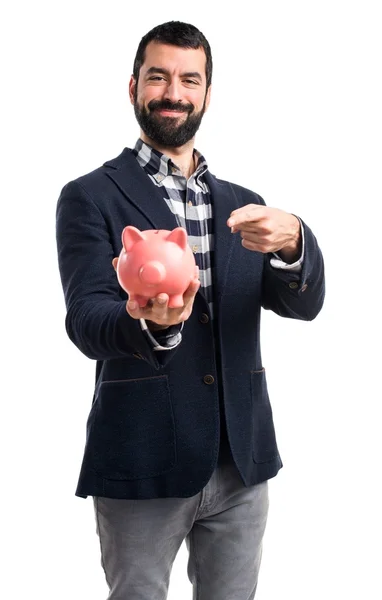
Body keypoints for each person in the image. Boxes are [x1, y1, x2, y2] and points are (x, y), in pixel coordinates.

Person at [56, 20, 325, 600]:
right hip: (142, 457)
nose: (173, 92)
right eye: (158, 77)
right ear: (133, 88)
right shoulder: (91, 196)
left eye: (189, 79)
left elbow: (302, 305)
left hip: (241, 462)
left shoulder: (244, 204)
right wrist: (146, 323)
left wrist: (296, 241)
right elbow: (86, 319)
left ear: (206, 93)